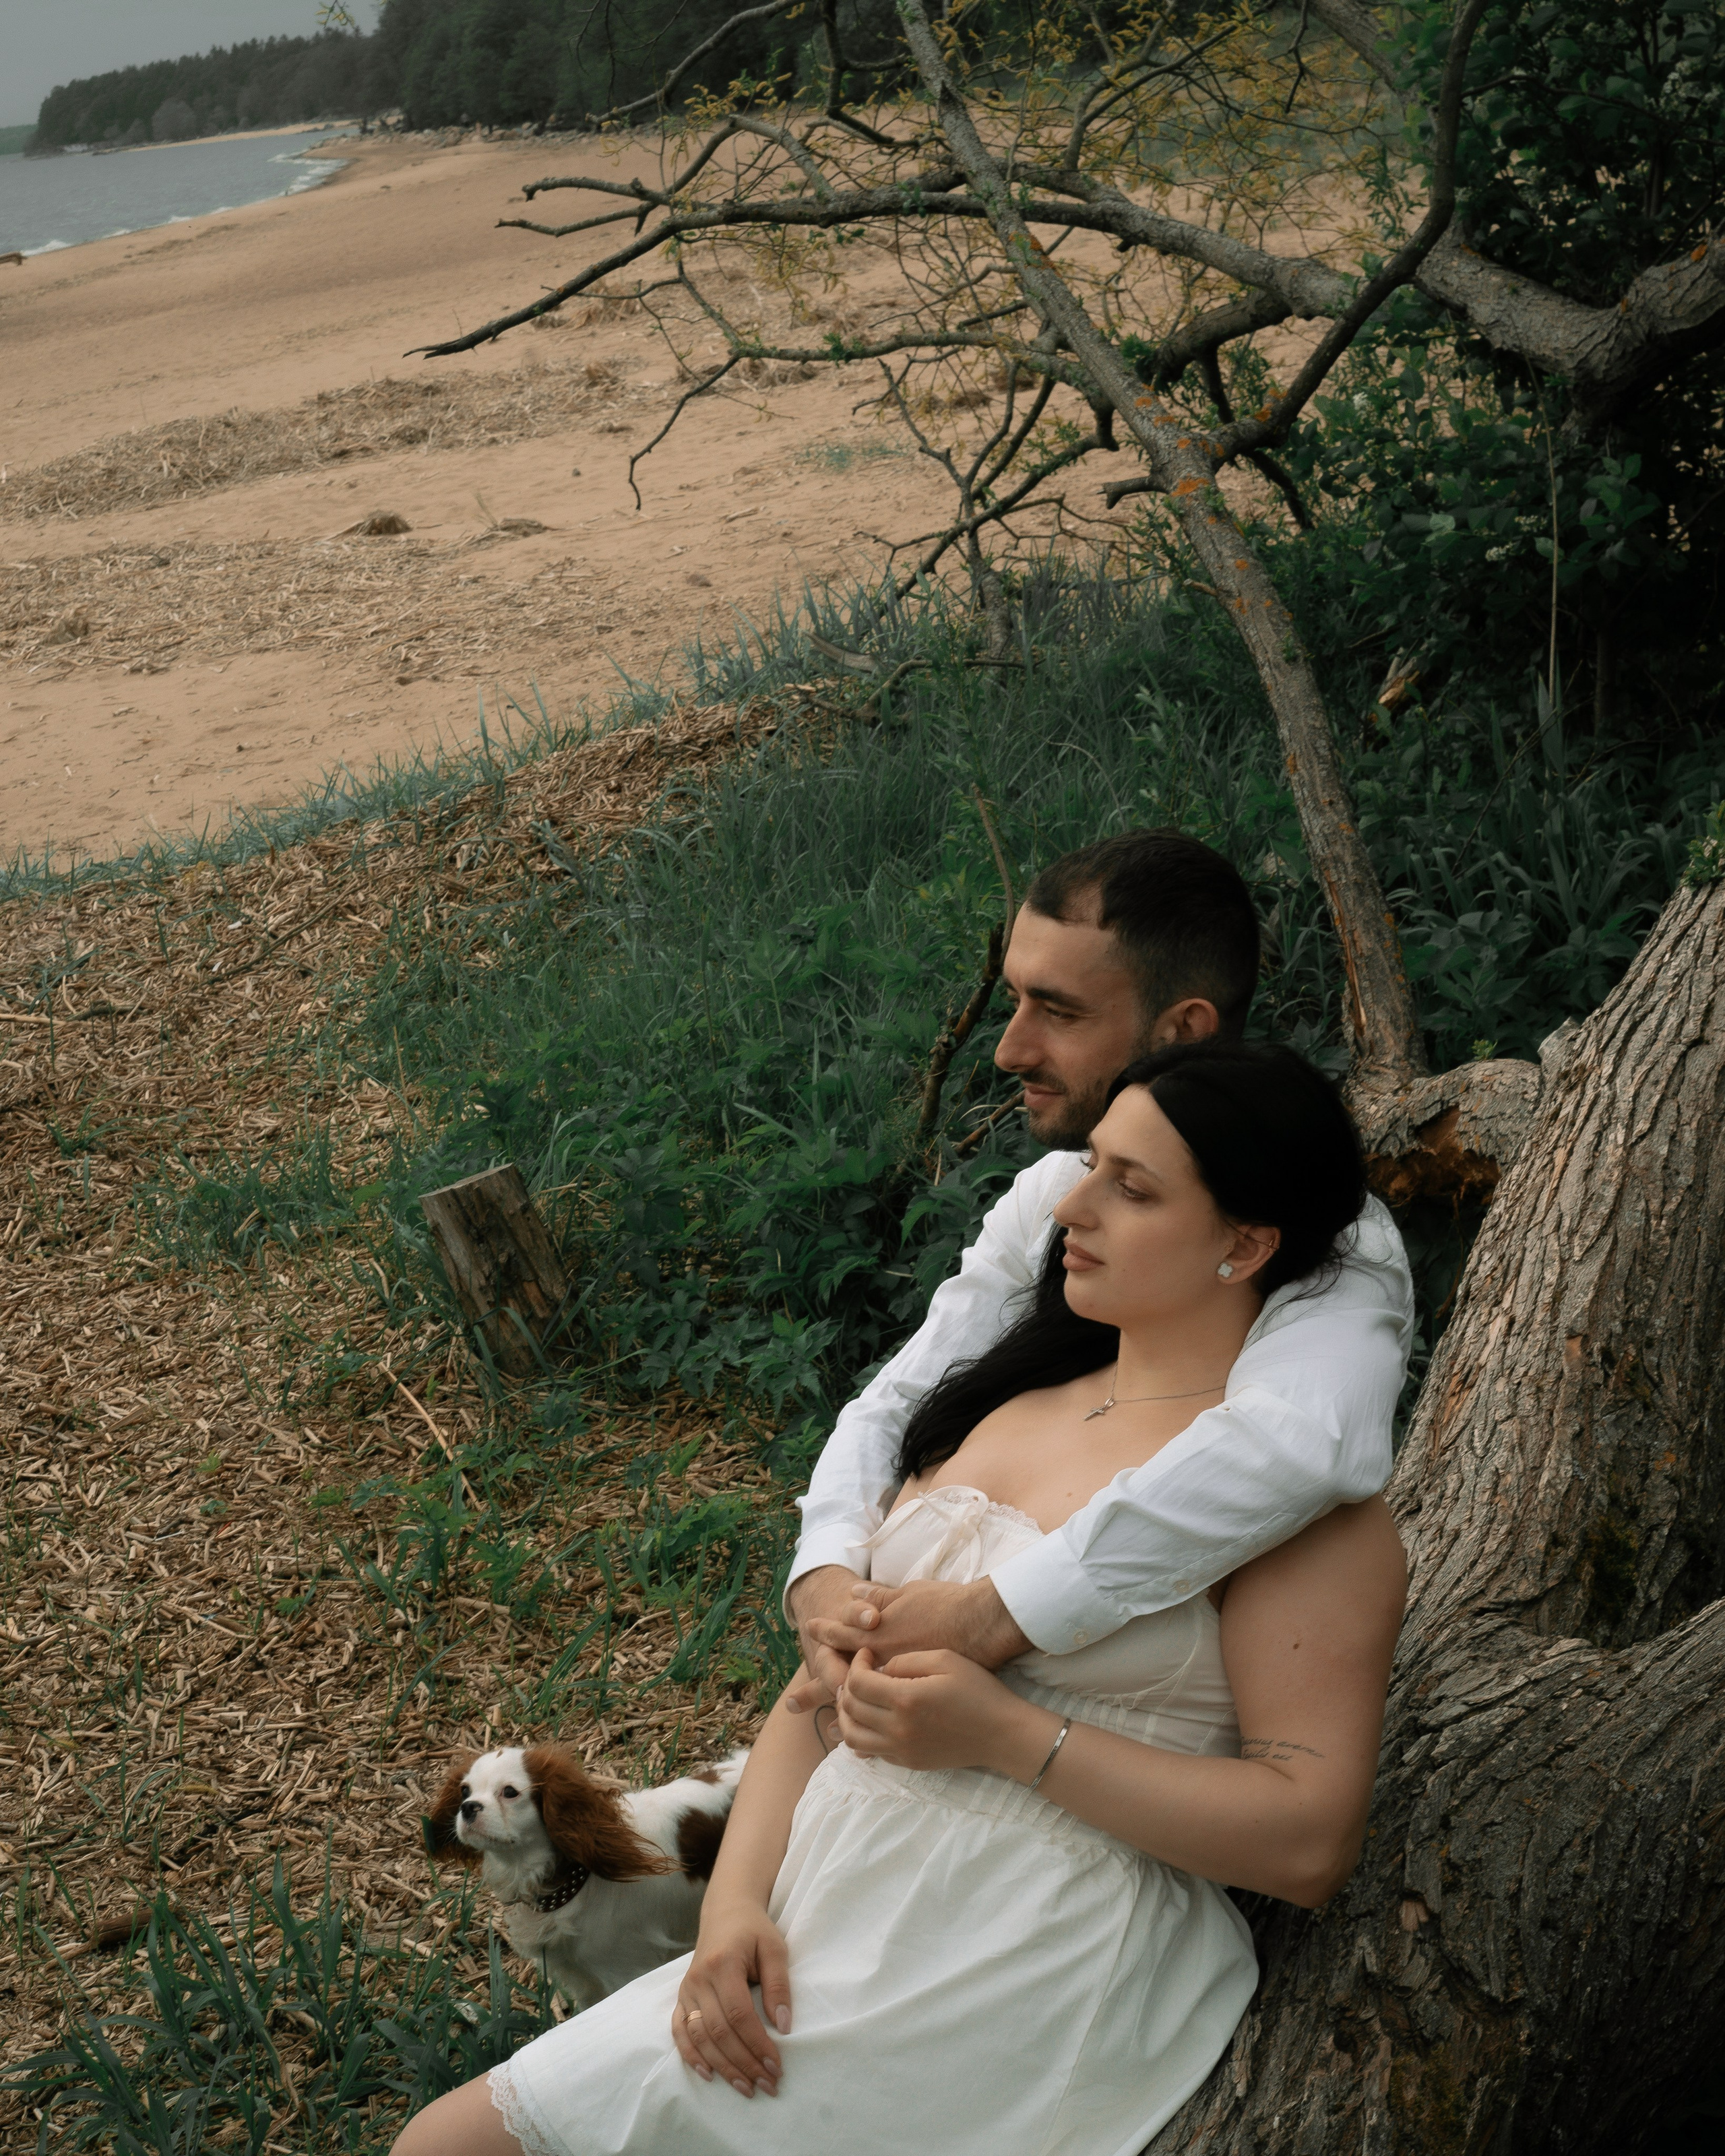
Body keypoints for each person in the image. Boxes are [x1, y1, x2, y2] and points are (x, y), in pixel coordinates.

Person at [394, 1042, 1406, 2156]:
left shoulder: (1288, 1505)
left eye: (1134, 1187)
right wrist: (730, 1912)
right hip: (820, 1899)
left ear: (1245, 1244)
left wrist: (1013, 1735)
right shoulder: (1000, 1402)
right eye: (1092, 1164)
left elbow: (1310, 1839)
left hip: (1028, 1944)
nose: (1073, 1203)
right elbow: (814, 1696)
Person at [786, 829, 1412, 1704]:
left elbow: (1305, 1442)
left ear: (1181, 1029)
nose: (1009, 1049)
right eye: (1014, 1001)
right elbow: (901, 1400)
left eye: (1060, 1011)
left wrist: (997, 1616)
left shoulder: (1321, 1234)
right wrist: (825, 1580)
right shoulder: (1051, 1191)